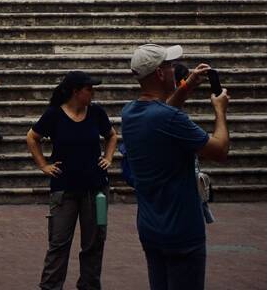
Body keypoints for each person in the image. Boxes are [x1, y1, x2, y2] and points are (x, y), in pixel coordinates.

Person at [121, 43, 230, 288]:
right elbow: (220, 149)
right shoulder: (171, 119)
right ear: (160, 73)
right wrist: (220, 111)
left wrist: (188, 84)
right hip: (181, 229)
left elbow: (161, 112)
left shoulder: (130, 113)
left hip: (150, 227)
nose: (174, 70)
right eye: (169, 66)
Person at [27, 70, 116, 290]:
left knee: (94, 243)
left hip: (96, 189)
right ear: (76, 92)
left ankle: (89, 285)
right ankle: (51, 286)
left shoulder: (96, 113)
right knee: (58, 243)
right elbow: (32, 137)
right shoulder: (54, 114)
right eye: (89, 89)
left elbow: (112, 135)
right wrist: (43, 165)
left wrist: (108, 157)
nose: (93, 93)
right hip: (63, 189)